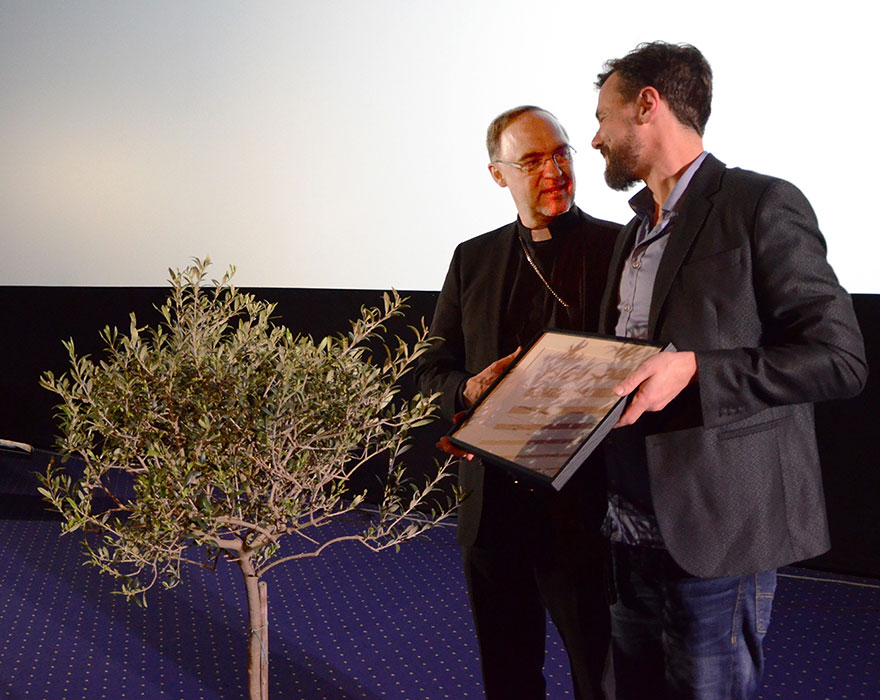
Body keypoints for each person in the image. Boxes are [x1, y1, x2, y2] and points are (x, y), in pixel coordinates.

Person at [589, 41, 868, 700]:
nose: (596, 137)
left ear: (648, 105)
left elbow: (840, 359)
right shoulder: (632, 232)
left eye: (604, 116)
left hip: (718, 526)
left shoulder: (760, 203)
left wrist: (697, 371)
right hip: (625, 523)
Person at [415, 106, 619, 699]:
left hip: (584, 506)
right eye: (531, 161)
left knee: (600, 676)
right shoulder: (471, 259)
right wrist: (470, 389)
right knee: (508, 675)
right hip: (494, 510)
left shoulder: (619, 247)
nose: (554, 170)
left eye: (561, 154)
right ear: (497, 174)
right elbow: (431, 368)